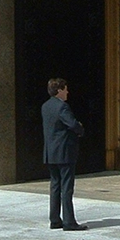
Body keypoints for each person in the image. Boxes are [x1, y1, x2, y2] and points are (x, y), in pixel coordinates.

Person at [41, 77, 87, 231]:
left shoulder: (45, 106)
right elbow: (72, 124)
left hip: (51, 153)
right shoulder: (62, 107)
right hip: (64, 153)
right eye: (65, 89)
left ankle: (55, 219)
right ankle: (69, 221)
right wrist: (80, 128)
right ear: (59, 90)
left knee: (55, 186)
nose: (67, 92)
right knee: (66, 187)